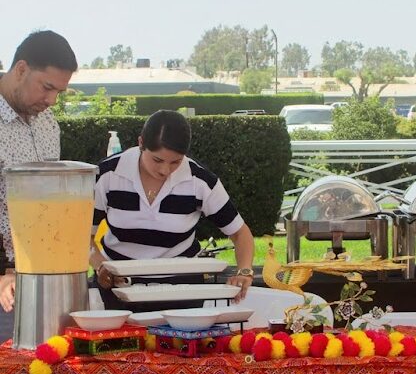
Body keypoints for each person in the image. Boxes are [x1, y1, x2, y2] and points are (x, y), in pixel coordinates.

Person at [89, 109, 255, 309]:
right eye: (157, 160)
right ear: (141, 143)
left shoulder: (199, 180)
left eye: (176, 162)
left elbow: (239, 233)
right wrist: (100, 267)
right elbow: (81, 236)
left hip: (183, 290)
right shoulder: (107, 174)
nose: (165, 170)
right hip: (118, 287)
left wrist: (244, 271)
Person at [0, 30, 78, 313]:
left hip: (40, 272)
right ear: (21, 69)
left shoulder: (48, 124)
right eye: (46, 87)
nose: (52, 100)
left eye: (59, 91)